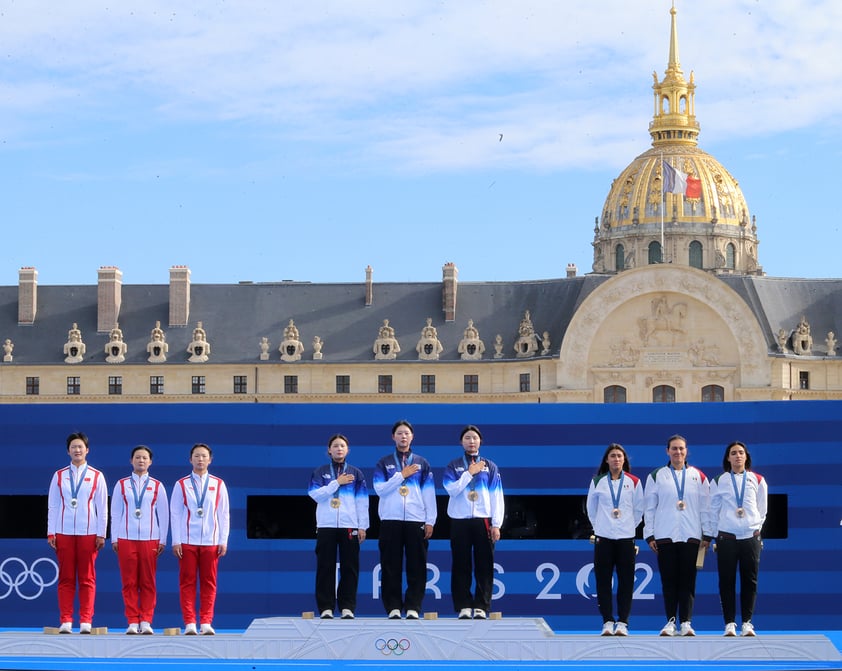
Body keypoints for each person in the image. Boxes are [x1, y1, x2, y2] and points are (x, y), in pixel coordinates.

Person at [644, 434, 713, 637]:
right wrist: (650, 535)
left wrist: (707, 534)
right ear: (667, 451)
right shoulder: (656, 476)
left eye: (681, 448)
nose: (678, 452)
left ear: (687, 451)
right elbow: (649, 508)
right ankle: (670, 622)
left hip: (691, 535)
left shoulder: (698, 477)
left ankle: (686, 622)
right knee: (669, 581)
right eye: (674, 448)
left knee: (688, 581)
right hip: (665, 535)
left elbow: (705, 508)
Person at [372, 420, 437, 619]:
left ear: (412, 437)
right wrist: (400, 475)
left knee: (417, 566)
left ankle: (413, 608)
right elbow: (379, 489)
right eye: (399, 433)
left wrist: (430, 520)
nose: (403, 436)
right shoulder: (384, 463)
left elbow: (429, 494)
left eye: (406, 433)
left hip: (415, 520)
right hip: (390, 520)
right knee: (390, 565)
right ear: (393, 437)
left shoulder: (422, 463)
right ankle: (392, 608)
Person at [47, 432, 108, 634]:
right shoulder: (59, 475)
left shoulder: (97, 476)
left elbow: (102, 507)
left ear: (87, 450)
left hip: (88, 532)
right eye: (73, 447)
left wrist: (101, 533)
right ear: (68, 451)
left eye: (80, 446)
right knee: (66, 578)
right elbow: (53, 506)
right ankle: (65, 620)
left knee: (87, 578)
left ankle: (85, 621)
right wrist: (51, 532)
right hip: (63, 532)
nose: (77, 450)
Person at [442, 425, 504, 620]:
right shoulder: (453, 466)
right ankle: (463, 606)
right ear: (461, 442)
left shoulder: (490, 466)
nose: (471, 441)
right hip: (460, 521)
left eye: (475, 438)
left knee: (484, 564)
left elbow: (497, 496)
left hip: (483, 520)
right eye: (467, 438)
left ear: (480, 442)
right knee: (461, 564)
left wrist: (496, 524)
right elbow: (451, 490)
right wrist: (469, 473)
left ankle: (481, 606)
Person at [307, 434, 369, 619]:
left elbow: (362, 502)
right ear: (329, 450)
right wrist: (336, 483)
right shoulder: (320, 472)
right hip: (326, 525)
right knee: (325, 567)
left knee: (350, 567)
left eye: (342, 446)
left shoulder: (356, 473)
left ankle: (347, 607)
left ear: (348, 450)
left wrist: (363, 526)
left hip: (349, 525)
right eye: (335, 446)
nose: (339, 448)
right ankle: (326, 607)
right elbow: (315, 495)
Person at [171, 443, 230, 635]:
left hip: (211, 541)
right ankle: (189, 622)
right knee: (187, 582)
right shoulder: (182, 484)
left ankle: (206, 622)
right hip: (187, 540)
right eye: (197, 456)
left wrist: (223, 540)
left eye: (204, 456)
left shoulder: (218, 484)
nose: (200, 459)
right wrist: (176, 540)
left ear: (210, 460)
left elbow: (223, 514)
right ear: (190, 459)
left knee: (209, 583)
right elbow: (175, 513)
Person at [586, 443, 644, 636]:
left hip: (626, 538)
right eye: (613, 456)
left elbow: (639, 510)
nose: (616, 459)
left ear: (624, 460)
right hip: (604, 538)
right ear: (607, 460)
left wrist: (627, 526)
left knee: (626, 581)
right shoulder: (598, 481)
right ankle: (607, 621)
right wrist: (600, 527)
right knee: (603, 581)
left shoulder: (634, 482)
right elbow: (591, 509)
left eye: (619, 456)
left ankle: (623, 622)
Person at [710, 441, 767, 637]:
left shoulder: (758, 480)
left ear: (746, 456)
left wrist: (756, 530)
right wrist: (716, 534)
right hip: (727, 537)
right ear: (728, 458)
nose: (737, 456)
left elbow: (763, 509)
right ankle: (729, 623)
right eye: (733, 453)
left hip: (750, 537)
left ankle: (747, 623)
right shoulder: (718, 481)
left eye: (741, 453)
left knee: (749, 580)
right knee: (726, 580)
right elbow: (713, 510)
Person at [111, 445, 169, 635]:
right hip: (126, 537)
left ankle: (146, 620)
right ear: (131, 461)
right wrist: (114, 538)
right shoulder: (121, 485)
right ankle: (132, 622)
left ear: (150, 462)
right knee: (129, 582)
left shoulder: (157, 486)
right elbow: (115, 513)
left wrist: (162, 539)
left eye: (144, 458)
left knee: (148, 582)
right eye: (137, 457)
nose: (141, 461)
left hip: (150, 538)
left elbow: (164, 514)